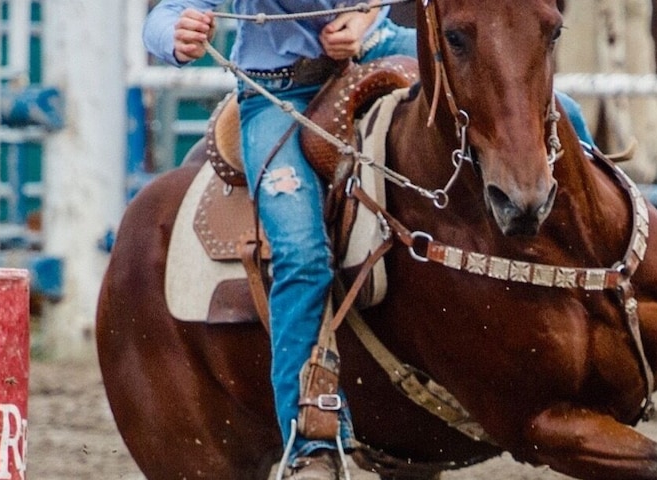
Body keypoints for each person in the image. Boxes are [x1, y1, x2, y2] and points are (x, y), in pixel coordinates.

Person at [144, 2, 602, 478]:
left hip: (383, 45)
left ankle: (612, 287)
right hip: (281, 90)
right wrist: (175, 35)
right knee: (301, 252)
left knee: (562, 113)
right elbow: (167, 14)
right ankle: (310, 437)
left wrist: (365, 19)